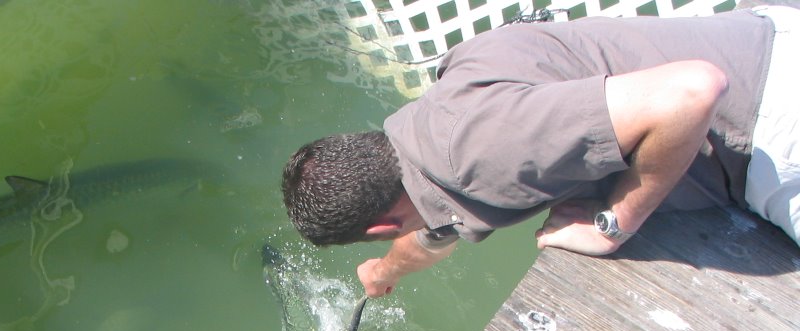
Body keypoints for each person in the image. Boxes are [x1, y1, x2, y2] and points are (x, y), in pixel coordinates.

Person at [281, 6, 800, 298]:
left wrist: (612, 224)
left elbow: (691, 93)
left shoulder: (476, 154)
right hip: (766, 37)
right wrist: (385, 272)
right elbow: (436, 227)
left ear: (380, 225)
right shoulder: (435, 122)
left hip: (771, 122)